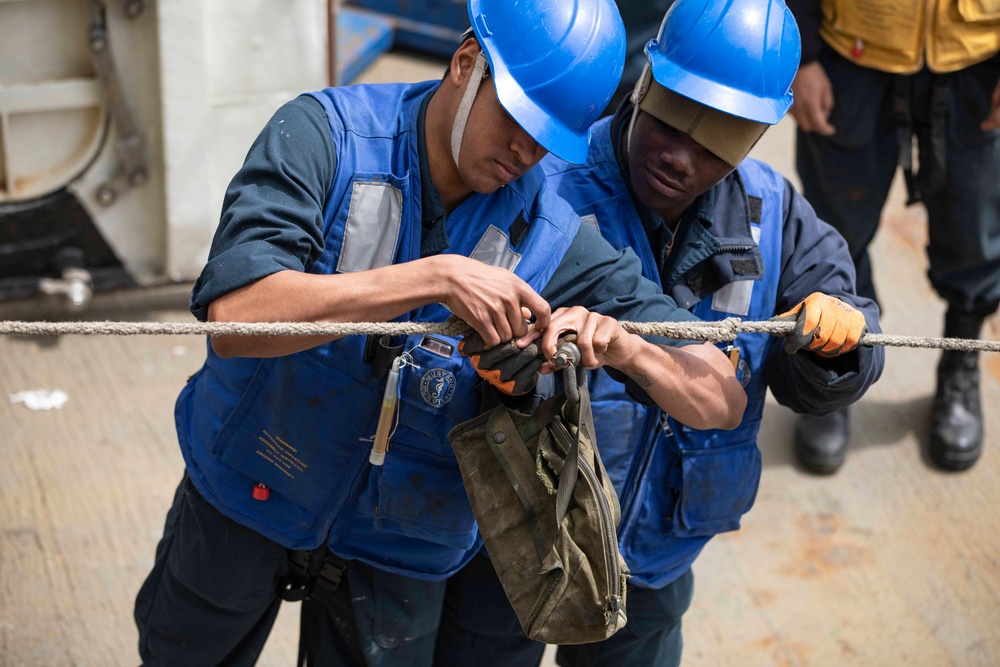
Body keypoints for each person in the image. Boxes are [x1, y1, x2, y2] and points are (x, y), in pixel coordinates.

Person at [132, 0, 749, 664]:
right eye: (514, 114)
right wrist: (432, 278)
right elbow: (235, 318)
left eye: (548, 137)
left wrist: (627, 346)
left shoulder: (549, 230)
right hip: (248, 482)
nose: (525, 149)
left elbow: (721, 397)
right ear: (464, 62)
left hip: (401, 537)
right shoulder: (325, 137)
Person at [433, 0, 885, 664]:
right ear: (645, 83)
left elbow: (823, 364)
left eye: (714, 144)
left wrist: (840, 342)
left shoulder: (775, 214)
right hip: (516, 530)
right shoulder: (542, 179)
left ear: (758, 135)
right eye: (670, 124)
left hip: (656, 552)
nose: (678, 157)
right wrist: (503, 374)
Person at [787, 0, 1000, 472]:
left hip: (978, 58)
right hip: (851, 52)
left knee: (978, 228)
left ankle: (959, 364)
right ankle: (835, 367)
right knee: (833, 235)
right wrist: (801, 52)